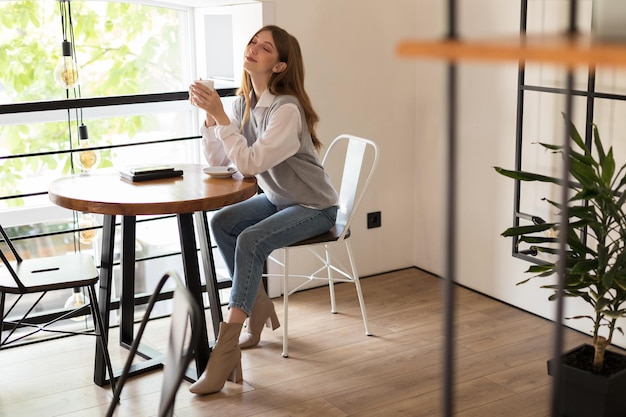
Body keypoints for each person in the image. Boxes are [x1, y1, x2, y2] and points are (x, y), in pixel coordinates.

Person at [187, 25, 338, 395]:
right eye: (253, 41)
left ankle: (223, 353)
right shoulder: (242, 105)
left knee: (252, 239)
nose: (253, 48)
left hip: (314, 205)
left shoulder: (286, 110)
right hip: (277, 199)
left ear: (280, 66)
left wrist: (221, 117)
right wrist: (211, 117)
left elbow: (251, 164)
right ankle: (257, 307)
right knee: (222, 222)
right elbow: (220, 159)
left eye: (265, 47)